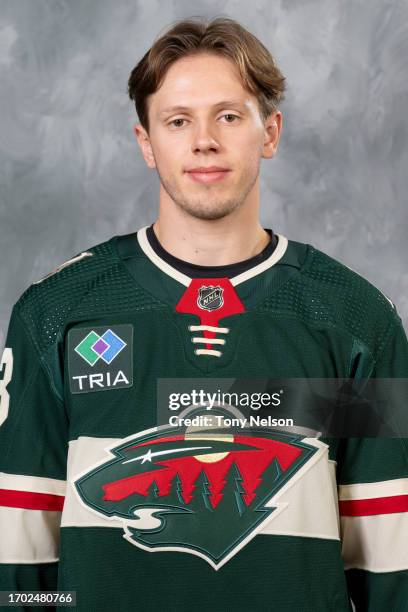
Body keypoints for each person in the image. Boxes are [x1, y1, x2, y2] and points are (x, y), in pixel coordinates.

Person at [0, 15, 407, 612]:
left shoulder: (354, 318)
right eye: (178, 120)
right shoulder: (56, 312)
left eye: (229, 116)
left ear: (269, 132)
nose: (204, 141)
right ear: (146, 142)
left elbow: (390, 559)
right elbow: (20, 556)